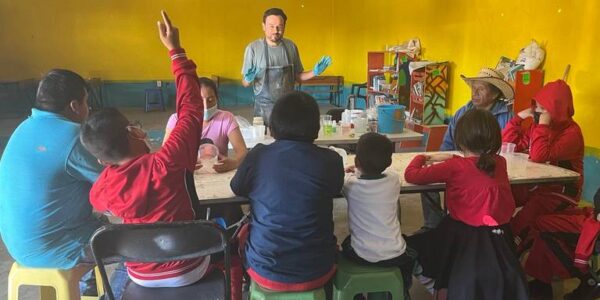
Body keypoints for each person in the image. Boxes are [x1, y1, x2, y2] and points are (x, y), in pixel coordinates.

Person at [79, 11, 241, 299]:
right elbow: (190, 107)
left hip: (140, 273)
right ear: (133, 133)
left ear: (103, 161)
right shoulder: (167, 161)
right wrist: (175, 52)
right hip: (189, 267)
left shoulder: (101, 191)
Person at [0, 68, 110, 295]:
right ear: (75, 106)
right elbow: (115, 186)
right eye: (86, 103)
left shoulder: (23, 128)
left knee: (98, 221)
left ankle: (87, 286)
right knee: (128, 239)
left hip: (18, 245)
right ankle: (101, 291)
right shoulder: (73, 135)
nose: (88, 110)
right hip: (54, 248)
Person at [404, 109, 528, 299]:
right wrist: (455, 159)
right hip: (499, 237)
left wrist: (423, 157)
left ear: (460, 140)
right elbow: (475, 165)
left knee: (413, 246)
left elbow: (411, 175)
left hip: (461, 234)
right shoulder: (500, 162)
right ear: (495, 139)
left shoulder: (455, 167)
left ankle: (436, 287)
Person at [231, 91, 344, 292]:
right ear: (317, 130)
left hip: (265, 270)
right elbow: (335, 190)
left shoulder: (257, 155)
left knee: (240, 236)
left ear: (272, 129)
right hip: (318, 269)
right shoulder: (331, 160)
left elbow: (237, 188)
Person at [420, 67, 514, 231]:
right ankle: (434, 226)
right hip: (463, 165)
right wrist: (440, 160)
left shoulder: (507, 116)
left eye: (481, 89)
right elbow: (448, 144)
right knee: (429, 184)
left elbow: (508, 145)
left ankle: (465, 224)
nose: (474, 93)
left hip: (491, 167)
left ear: (495, 94)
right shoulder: (462, 113)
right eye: (473, 88)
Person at [502, 80, 584, 253]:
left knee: (525, 218)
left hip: (561, 192)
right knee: (502, 197)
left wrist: (543, 125)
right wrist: (518, 118)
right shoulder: (538, 126)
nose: (537, 112)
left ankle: (509, 252)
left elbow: (539, 155)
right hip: (536, 185)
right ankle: (497, 241)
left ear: (557, 109)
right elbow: (509, 145)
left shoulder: (572, 133)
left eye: (543, 108)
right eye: (536, 107)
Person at [342, 132, 415, 299]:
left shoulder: (350, 186)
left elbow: (347, 179)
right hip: (396, 254)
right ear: (389, 162)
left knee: (345, 243)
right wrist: (360, 171)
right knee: (408, 247)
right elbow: (385, 176)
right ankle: (401, 288)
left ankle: (357, 294)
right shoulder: (394, 181)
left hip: (361, 254)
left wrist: (353, 172)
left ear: (356, 161)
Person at [241, 7, 332, 125]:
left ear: (284, 26)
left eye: (280, 26)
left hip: (288, 107)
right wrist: (248, 79)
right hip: (263, 111)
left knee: (289, 139)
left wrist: (314, 72)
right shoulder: (253, 49)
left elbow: (298, 77)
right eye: (271, 26)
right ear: (263, 26)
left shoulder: (291, 47)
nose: (275, 30)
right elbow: (244, 83)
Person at [523, 187, 600, 300]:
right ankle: (541, 284)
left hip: (595, 223)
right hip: (592, 213)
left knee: (542, 225)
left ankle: (587, 278)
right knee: (544, 226)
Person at [163, 77, 248, 173]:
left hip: (218, 176)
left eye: (210, 100)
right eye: (200, 101)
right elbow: (164, 156)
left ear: (217, 98)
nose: (206, 106)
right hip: (185, 176)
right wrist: (183, 164)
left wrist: (235, 163)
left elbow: (243, 152)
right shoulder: (176, 120)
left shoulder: (226, 118)